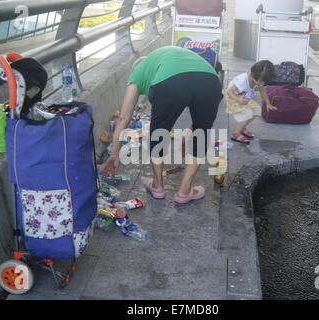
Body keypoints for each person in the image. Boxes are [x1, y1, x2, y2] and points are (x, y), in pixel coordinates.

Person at [101, 46, 223, 204]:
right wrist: (190, 132)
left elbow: (124, 117)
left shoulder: (137, 73)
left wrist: (114, 154)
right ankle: (185, 191)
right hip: (210, 81)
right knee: (202, 133)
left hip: (171, 82)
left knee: (158, 133)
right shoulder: (164, 57)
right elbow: (192, 86)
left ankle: (158, 186)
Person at [225, 60, 277, 144]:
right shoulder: (242, 81)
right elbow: (229, 91)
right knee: (247, 114)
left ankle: (242, 127)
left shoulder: (259, 80)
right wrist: (239, 100)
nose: (262, 83)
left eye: (264, 82)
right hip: (233, 97)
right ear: (253, 75)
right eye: (260, 81)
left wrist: (268, 103)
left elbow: (262, 91)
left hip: (244, 97)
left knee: (257, 110)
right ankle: (236, 134)